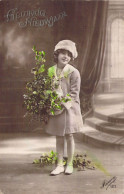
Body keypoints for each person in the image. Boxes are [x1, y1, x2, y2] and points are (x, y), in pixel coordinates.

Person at [44, 40, 83, 175]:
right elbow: (48, 88)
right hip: (56, 108)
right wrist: (50, 97)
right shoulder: (51, 71)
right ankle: (60, 164)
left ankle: (70, 163)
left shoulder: (74, 72)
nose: (65, 56)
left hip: (69, 108)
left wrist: (62, 100)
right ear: (57, 54)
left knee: (69, 135)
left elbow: (74, 93)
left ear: (71, 57)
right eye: (62, 53)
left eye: (68, 54)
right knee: (58, 136)